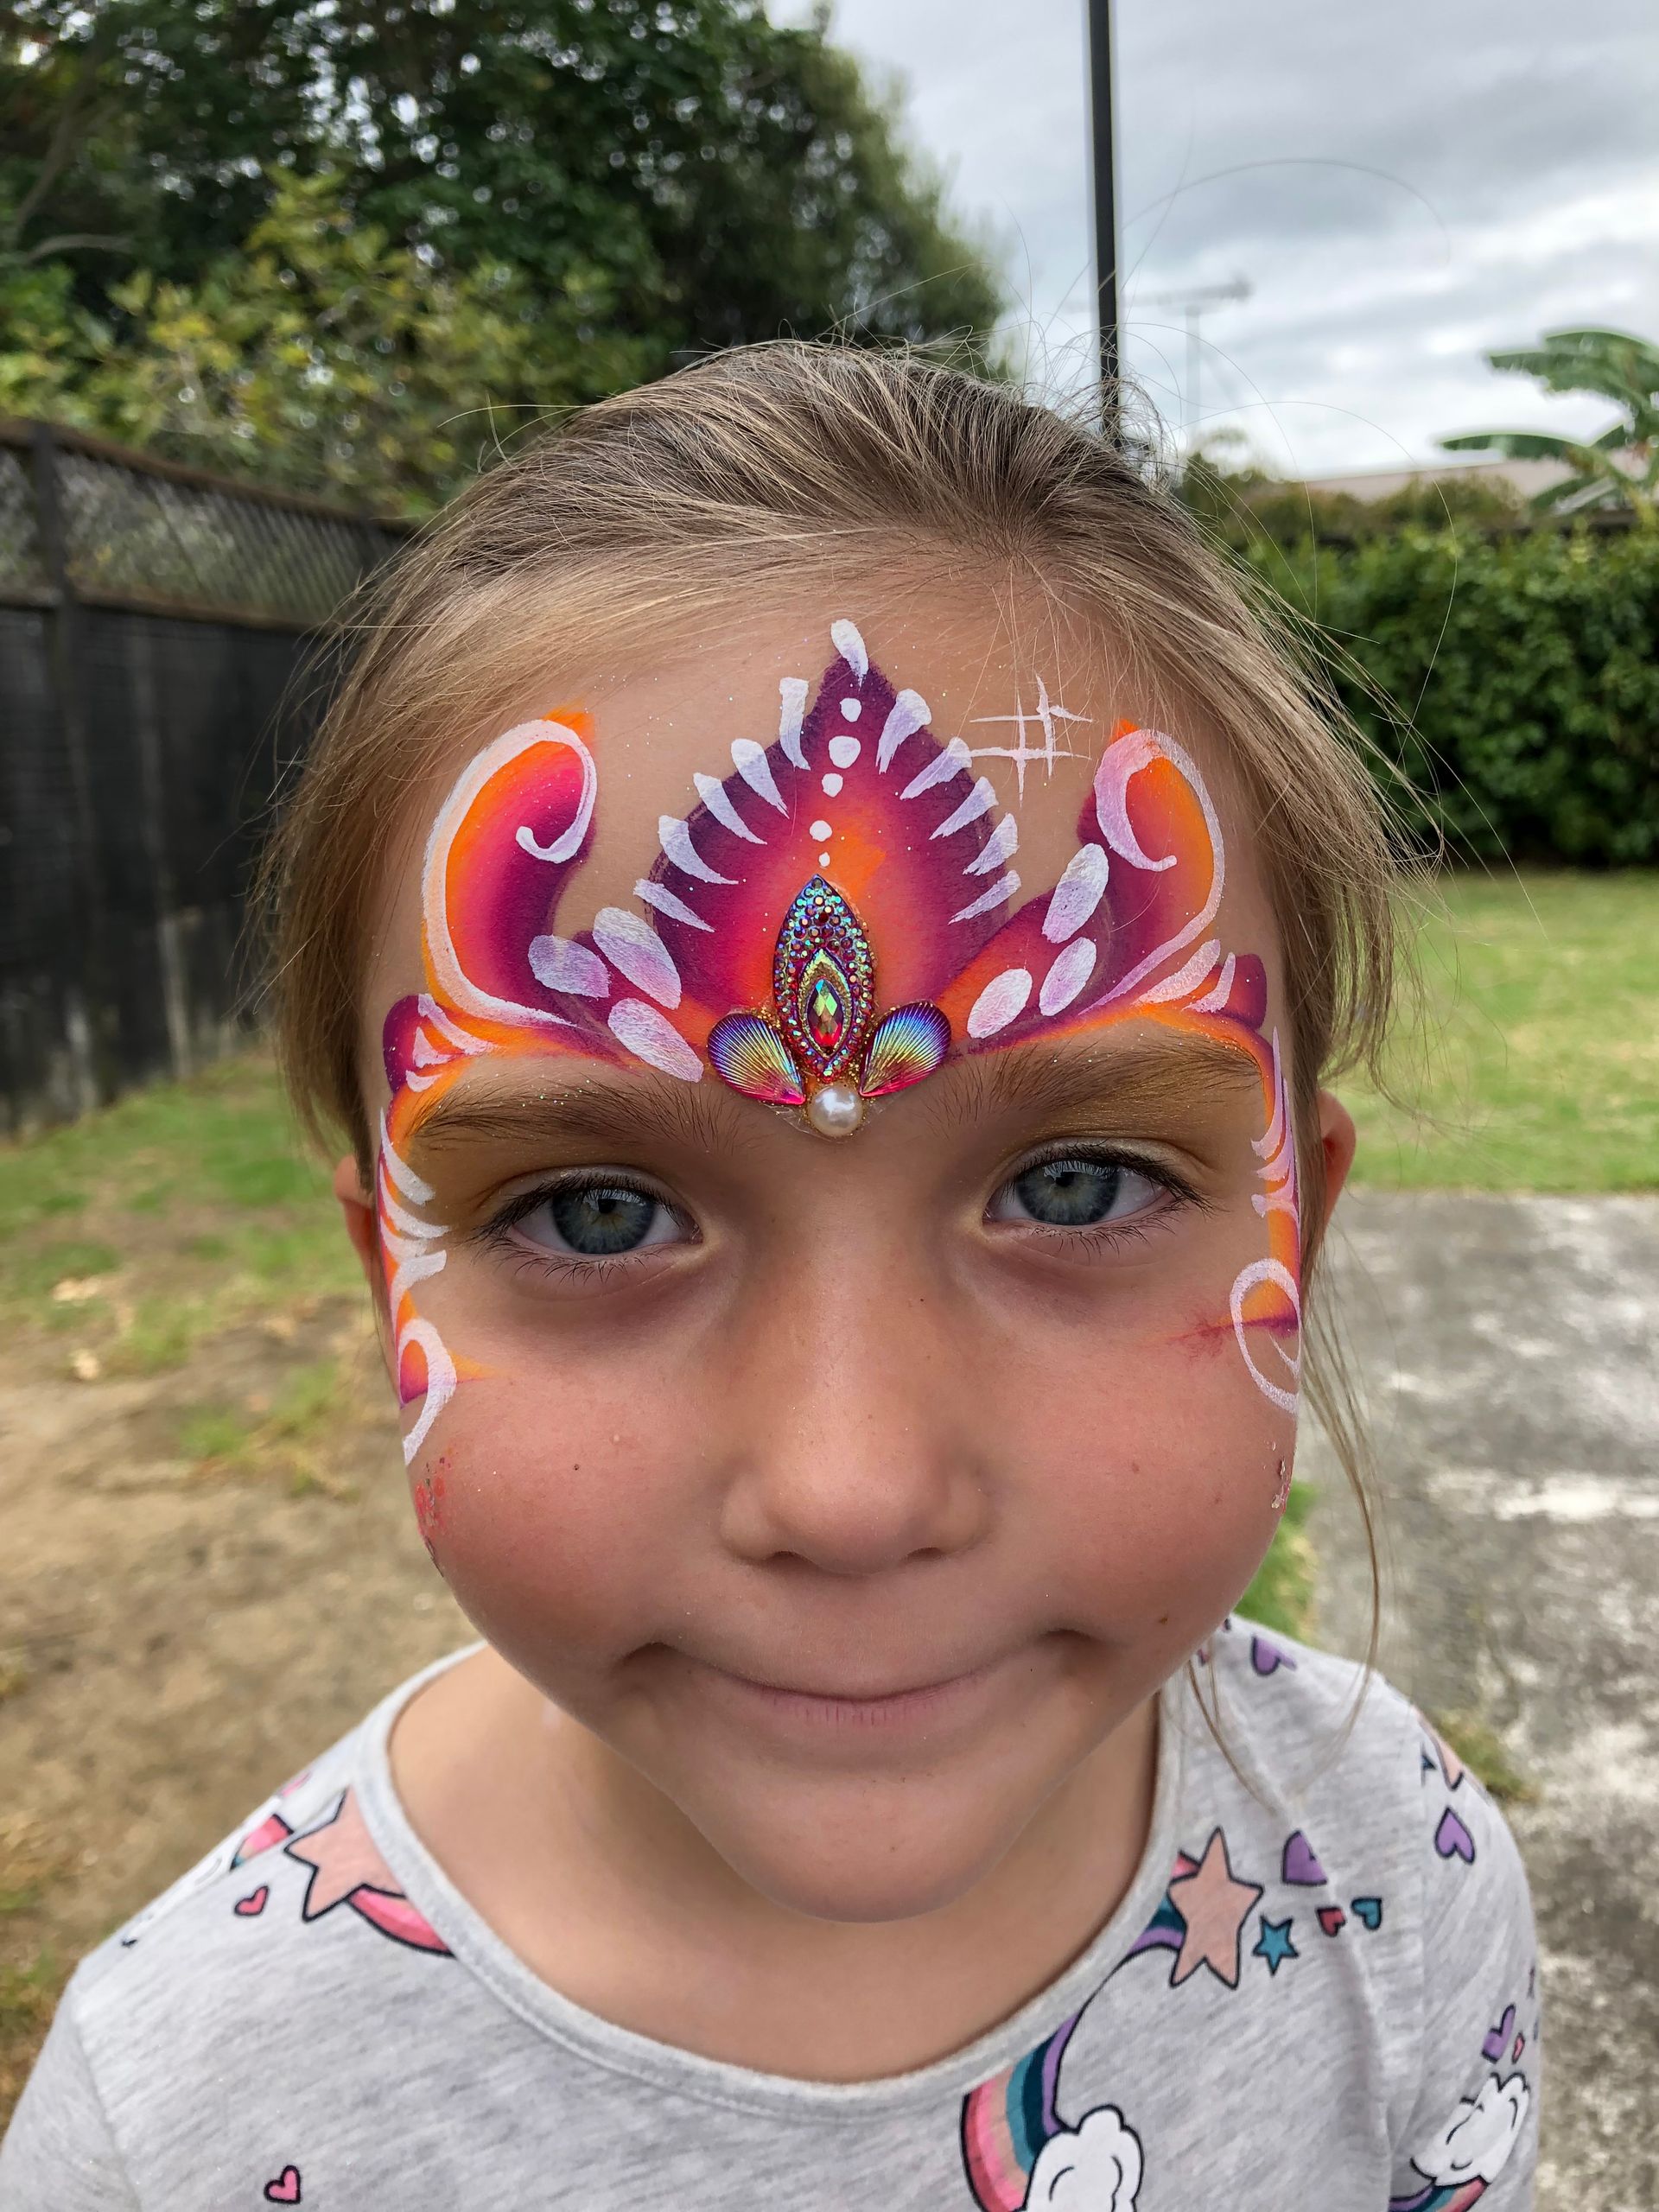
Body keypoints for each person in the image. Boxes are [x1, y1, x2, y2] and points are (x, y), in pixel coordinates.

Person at [0, 346, 1538, 2210]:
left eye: (1077, 1178)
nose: (849, 1485)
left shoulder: (1398, 1867)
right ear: (381, 1275)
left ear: (1302, 1221)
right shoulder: (179, 2128)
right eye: (594, 1213)